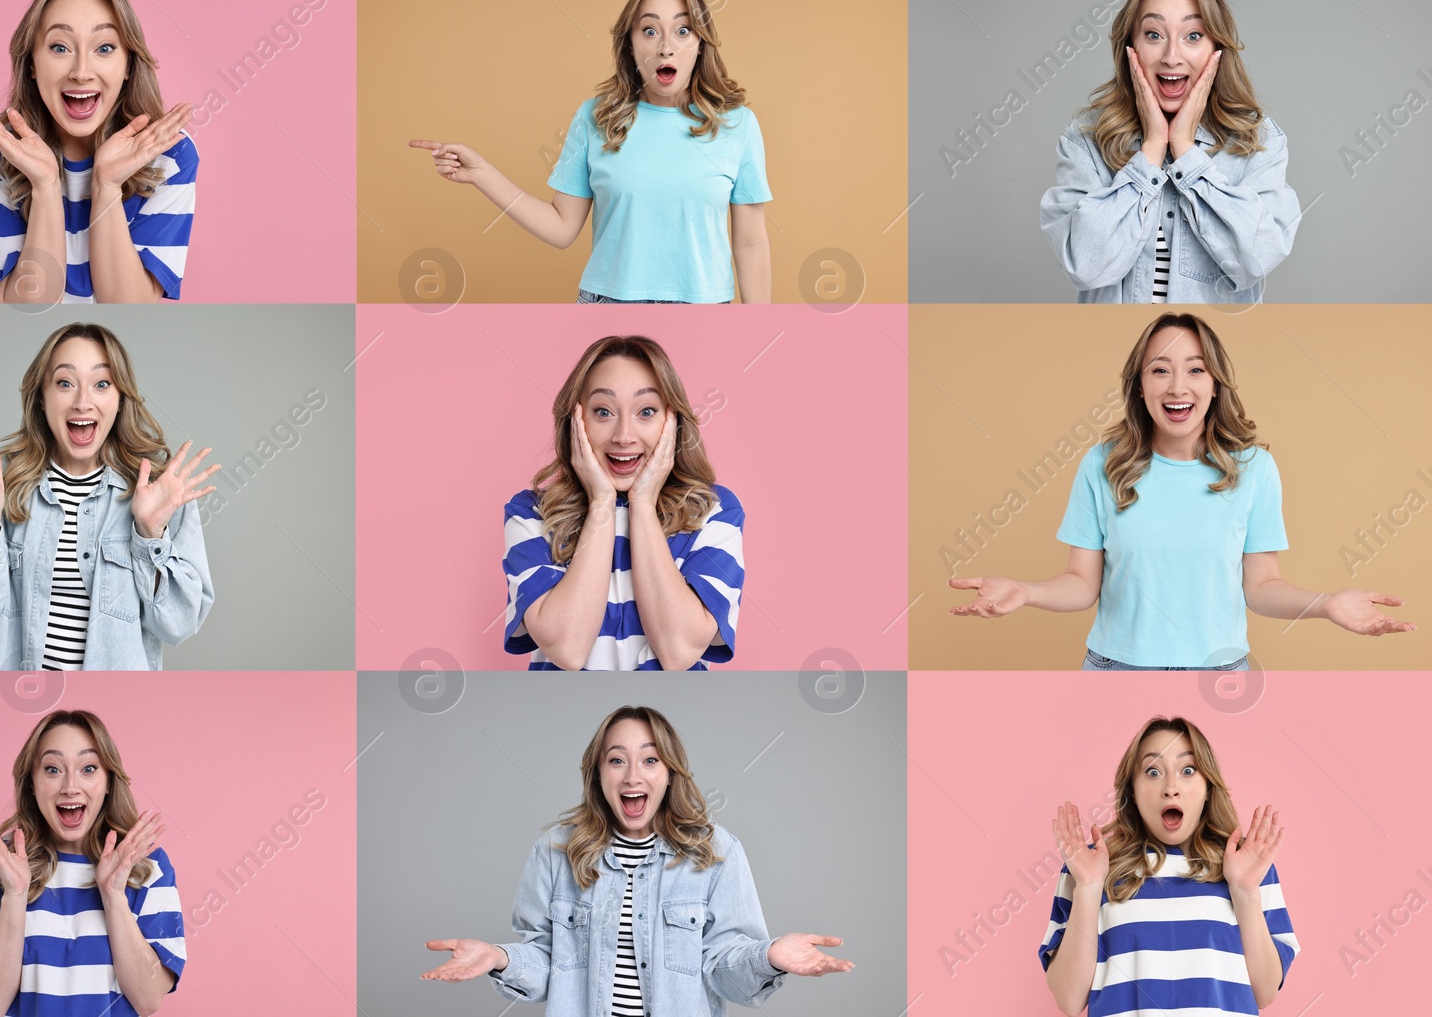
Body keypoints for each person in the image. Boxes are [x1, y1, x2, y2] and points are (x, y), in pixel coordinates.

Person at [948, 312, 1414, 667]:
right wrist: (1025, 592)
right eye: (1159, 370)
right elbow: (1082, 583)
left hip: (1222, 673)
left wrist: (1327, 604)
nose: (1178, 387)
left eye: (1195, 370)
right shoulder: (1103, 465)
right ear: (1139, 385)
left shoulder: (1254, 469)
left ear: (1215, 385)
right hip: (1116, 669)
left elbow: (1262, 586)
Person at [420, 705, 852, 1015]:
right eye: (616, 761)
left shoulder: (717, 851)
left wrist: (770, 955)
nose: (632, 776)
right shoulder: (555, 851)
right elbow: (545, 968)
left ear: (669, 773)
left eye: (650, 759)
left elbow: (724, 973)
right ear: (598, 774)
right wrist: (498, 957)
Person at [409, 0, 771, 304]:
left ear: (701, 44)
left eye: (682, 31)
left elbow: (751, 244)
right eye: (649, 31)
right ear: (629, 45)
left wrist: (756, 328)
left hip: (705, 308)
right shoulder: (595, 117)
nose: (665, 47)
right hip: (607, 306)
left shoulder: (737, 125)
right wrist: (482, 174)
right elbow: (561, 227)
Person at [0, 323, 217, 670]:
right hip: (19, 697)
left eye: (102, 384)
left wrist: (151, 534)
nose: (82, 402)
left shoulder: (160, 492)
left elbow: (177, 626)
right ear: (41, 398)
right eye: (64, 383)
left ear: (120, 399)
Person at [1040, 0, 1299, 303]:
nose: (1172, 57)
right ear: (1130, 46)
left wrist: (1186, 154)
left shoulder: (1258, 141)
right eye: (1153, 34)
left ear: (1216, 48)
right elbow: (1085, 265)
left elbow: (1257, 259)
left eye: (1193, 35)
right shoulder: (1085, 140)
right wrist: (1150, 151)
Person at [503, 336, 743, 669]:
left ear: (671, 423)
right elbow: (566, 648)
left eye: (646, 411)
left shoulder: (715, 511)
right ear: (577, 421)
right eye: (603, 412)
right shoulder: (530, 513)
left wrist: (642, 505)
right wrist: (602, 502)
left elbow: (679, 651)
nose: (624, 435)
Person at [0, 0, 197, 304]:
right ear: (31, 63)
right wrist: (45, 187)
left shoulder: (170, 154)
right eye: (60, 47)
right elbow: (26, 312)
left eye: (104, 48)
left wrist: (107, 187)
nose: (81, 71)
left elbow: (129, 310)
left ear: (128, 63)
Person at [1040, 715, 1298, 1015]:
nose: (1171, 788)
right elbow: (1070, 1001)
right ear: (1132, 793)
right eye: (1152, 772)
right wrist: (1088, 887)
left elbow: (1264, 992)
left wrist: (1244, 891)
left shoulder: (1248, 864)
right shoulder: (1091, 865)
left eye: (1188, 770)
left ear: (1207, 789)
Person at [0, 710, 185, 1016]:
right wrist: (15, 896)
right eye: (53, 769)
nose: (70, 786)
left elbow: (148, 1000)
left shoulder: (147, 865)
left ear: (108, 781)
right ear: (31, 782)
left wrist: (113, 897)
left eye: (88, 768)